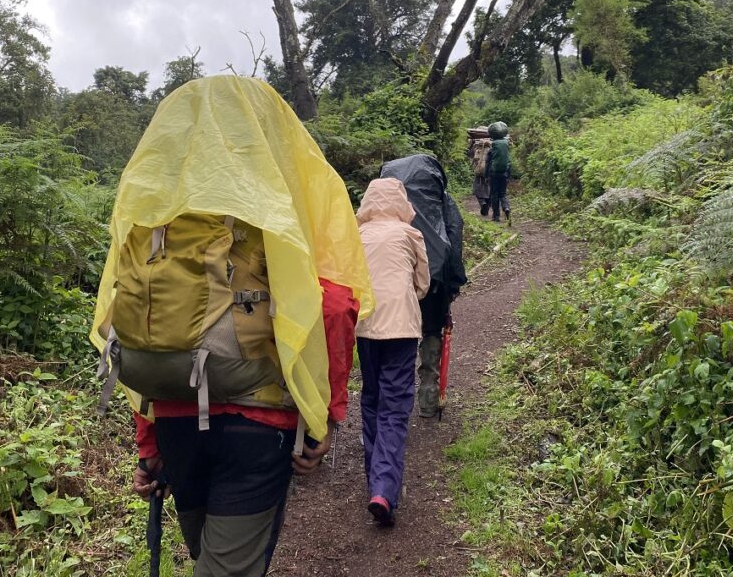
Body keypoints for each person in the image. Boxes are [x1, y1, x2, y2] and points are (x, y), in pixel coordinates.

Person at [91, 76, 374, 577]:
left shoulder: (159, 219)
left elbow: (135, 330)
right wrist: (324, 417)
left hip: (176, 421)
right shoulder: (269, 212)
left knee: (211, 559)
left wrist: (150, 447)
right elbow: (331, 309)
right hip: (257, 427)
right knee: (230, 567)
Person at [355, 177, 430, 526]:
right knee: (395, 406)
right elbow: (423, 285)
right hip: (400, 330)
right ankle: (383, 489)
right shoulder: (409, 234)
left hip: (364, 326)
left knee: (371, 398)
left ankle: (376, 480)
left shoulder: (357, 235)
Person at [379, 155, 467, 418]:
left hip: (393, 282)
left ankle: (392, 402)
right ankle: (428, 396)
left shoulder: (382, 206)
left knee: (396, 338)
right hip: (434, 278)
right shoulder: (442, 200)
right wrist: (452, 282)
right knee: (430, 331)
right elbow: (454, 234)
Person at [485, 121, 512, 224]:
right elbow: (509, 162)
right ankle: (506, 208)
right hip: (504, 173)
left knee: (494, 194)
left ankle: (496, 216)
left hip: (494, 173)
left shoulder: (492, 148)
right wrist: (508, 175)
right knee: (503, 193)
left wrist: (486, 176)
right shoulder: (506, 146)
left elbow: (488, 163)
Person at [465, 126, 492, 216]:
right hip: (490, 171)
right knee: (489, 189)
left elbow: (469, 154)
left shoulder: (476, 146)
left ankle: (482, 203)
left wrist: (471, 144)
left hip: (479, 170)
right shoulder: (492, 145)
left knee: (477, 189)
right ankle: (486, 206)